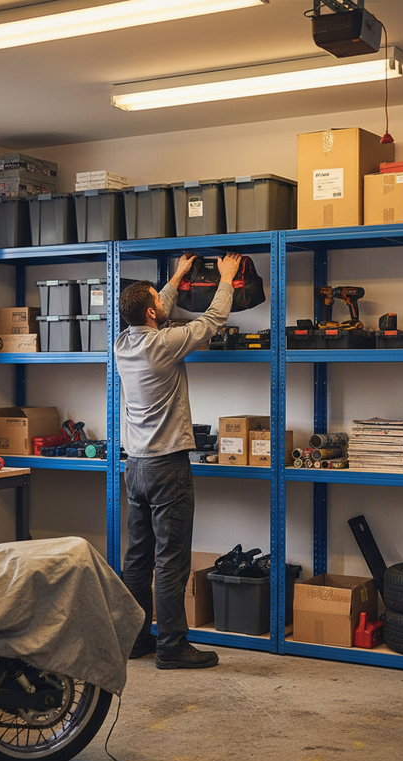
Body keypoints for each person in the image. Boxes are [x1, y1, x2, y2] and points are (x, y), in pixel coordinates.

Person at [115, 251, 242, 669]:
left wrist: (174, 279)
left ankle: (134, 640)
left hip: (134, 467)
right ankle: (171, 647)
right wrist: (225, 279)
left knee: (138, 557)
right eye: (158, 302)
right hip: (167, 466)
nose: (163, 305)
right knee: (172, 559)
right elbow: (210, 323)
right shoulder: (164, 345)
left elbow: (157, 308)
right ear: (152, 313)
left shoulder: (124, 343)